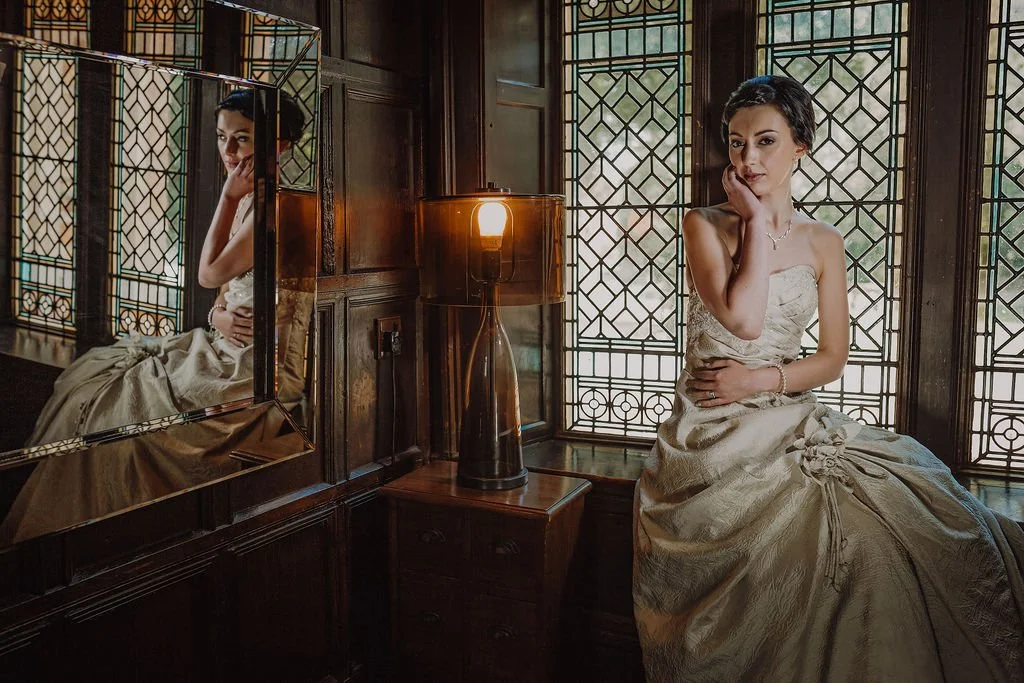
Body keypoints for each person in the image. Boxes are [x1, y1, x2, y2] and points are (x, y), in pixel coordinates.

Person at [633, 75, 1024, 682]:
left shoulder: (824, 242)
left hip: (786, 415)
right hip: (710, 432)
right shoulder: (704, 224)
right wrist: (757, 225)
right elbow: (744, 316)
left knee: (905, 537)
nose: (748, 158)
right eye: (736, 144)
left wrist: (760, 380)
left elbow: (832, 359)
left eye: (765, 141)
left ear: (801, 148)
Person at [0, 90, 310, 544]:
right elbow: (226, 290)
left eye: (241, 140)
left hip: (252, 365)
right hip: (225, 340)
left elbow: (209, 273)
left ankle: (100, 541)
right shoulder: (254, 197)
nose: (228, 152)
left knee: (116, 414)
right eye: (221, 137)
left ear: (278, 145)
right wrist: (217, 315)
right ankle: (63, 542)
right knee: (87, 384)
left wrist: (225, 198)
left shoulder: (275, 205)